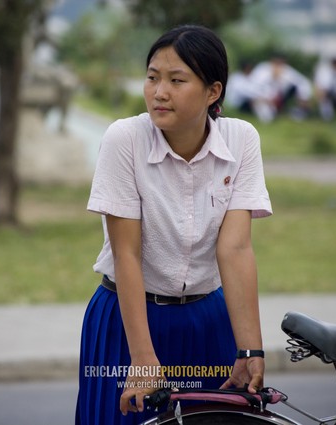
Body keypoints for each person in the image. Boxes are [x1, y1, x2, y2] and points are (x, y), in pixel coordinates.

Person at [76, 25, 272, 425]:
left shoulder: (241, 140)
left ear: (213, 92)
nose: (159, 91)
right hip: (127, 321)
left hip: (208, 321)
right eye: (152, 77)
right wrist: (143, 359)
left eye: (176, 80)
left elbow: (234, 249)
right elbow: (126, 253)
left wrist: (250, 349)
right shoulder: (124, 139)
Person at [248, 54, 312, 122]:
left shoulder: (287, 71)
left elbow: (302, 82)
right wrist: (265, 99)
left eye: (281, 64)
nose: (278, 67)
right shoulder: (262, 70)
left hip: (280, 98)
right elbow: (252, 86)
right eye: (277, 63)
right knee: (267, 117)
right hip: (261, 99)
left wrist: (303, 98)